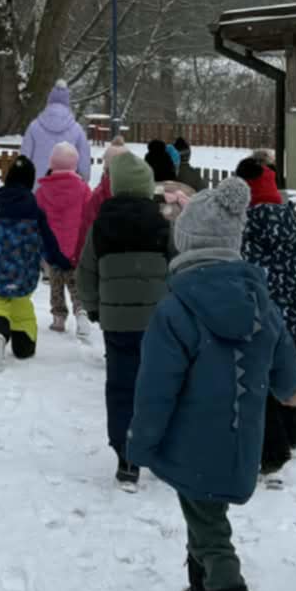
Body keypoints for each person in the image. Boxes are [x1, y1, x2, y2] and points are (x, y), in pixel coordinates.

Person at [126, 175, 296, 591]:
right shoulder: (263, 305)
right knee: (202, 510)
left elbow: (155, 389)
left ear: (187, 243)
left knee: (210, 530)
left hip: (190, 441)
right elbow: (287, 380)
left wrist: (141, 442)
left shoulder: (176, 308)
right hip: (240, 440)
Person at [77, 150, 173, 488]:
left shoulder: (101, 226)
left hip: (116, 320)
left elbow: (86, 271)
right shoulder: (162, 225)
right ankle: (157, 443)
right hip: (157, 322)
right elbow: (177, 266)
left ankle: (126, 454)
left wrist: (93, 307)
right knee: (158, 384)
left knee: (121, 385)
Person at [235, 156, 296, 484]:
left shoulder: (242, 226)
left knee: (259, 379)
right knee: (288, 371)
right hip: (292, 316)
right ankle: (293, 433)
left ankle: (272, 452)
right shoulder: (294, 223)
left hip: (255, 317)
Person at [0, 157, 71, 371]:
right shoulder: (35, 213)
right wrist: (59, 262)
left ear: (7, 179)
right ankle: (23, 344)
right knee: (22, 309)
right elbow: (48, 243)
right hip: (24, 277)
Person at [33, 141, 92, 337]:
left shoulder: (42, 191)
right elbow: (89, 214)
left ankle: (58, 317)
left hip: (52, 248)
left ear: (52, 163)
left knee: (56, 283)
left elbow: (37, 218)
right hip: (76, 246)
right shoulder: (83, 189)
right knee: (76, 283)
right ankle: (81, 311)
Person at [20, 81, 89, 183]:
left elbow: (24, 156)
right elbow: (84, 160)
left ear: (49, 101)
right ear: (67, 102)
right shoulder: (77, 129)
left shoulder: (34, 126)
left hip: (37, 184)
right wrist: (84, 180)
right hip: (68, 185)